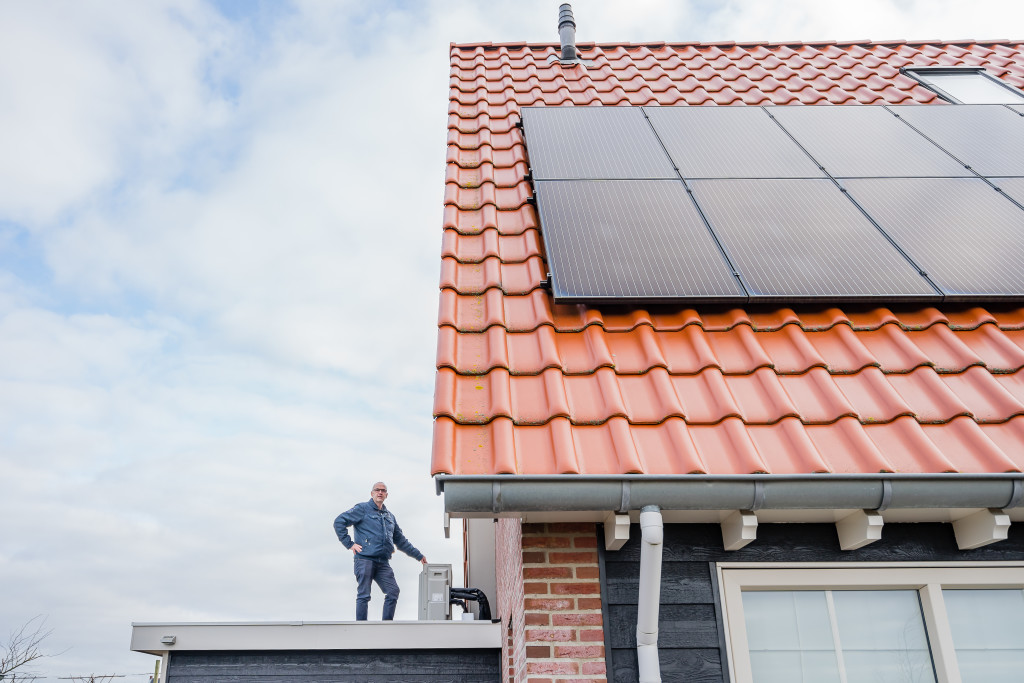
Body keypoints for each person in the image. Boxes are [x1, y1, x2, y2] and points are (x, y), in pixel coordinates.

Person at [334, 482, 427, 621]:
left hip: (382, 562)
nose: (380, 492)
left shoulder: (390, 517)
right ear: (372, 493)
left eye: (383, 491)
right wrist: (350, 544)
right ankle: (361, 627)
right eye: (377, 490)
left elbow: (401, 540)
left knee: (393, 591)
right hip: (364, 559)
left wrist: (418, 555)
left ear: (386, 495)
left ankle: (386, 626)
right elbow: (339, 521)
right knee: (364, 594)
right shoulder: (362, 509)